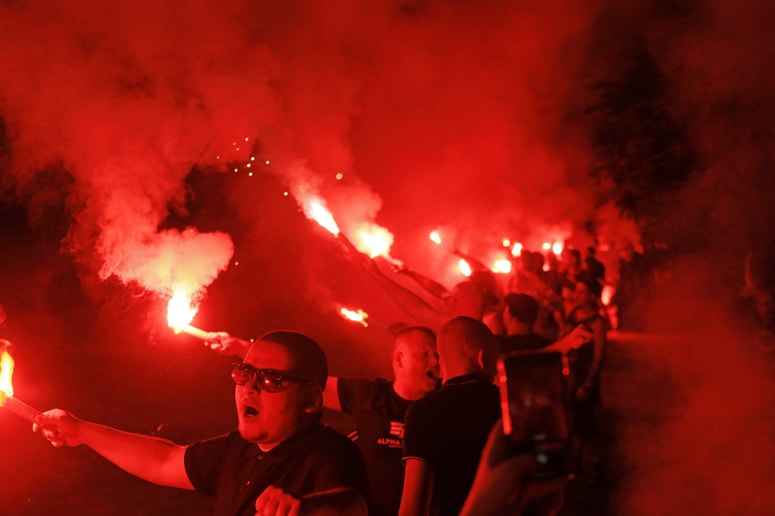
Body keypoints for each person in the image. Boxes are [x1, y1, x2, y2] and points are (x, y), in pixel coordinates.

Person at [33, 331, 371, 516]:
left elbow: (353, 504)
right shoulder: (236, 450)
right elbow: (164, 460)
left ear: (313, 400)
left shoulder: (331, 453)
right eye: (245, 372)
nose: (250, 387)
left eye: (271, 379)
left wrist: (310, 509)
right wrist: (79, 430)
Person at [205, 326, 441, 516]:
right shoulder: (369, 396)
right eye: (426, 354)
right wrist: (241, 347)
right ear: (399, 360)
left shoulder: (441, 411)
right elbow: (308, 383)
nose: (435, 362)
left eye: (439, 355)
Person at [399, 316, 501, 516]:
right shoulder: (509, 404)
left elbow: (412, 509)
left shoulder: (424, 412)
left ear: (441, 359)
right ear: (483, 359)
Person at [561, 274, 608, 485]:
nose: (576, 295)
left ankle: (593, 466)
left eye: (581, 292)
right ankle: (576, 466)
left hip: (584, 377)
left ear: (590, 296)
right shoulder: (571, 315)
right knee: (571, 423)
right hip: (568, 377)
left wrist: (588, 384)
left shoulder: (597, 322)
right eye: (576, 291)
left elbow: (599, 355)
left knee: (587, 426)